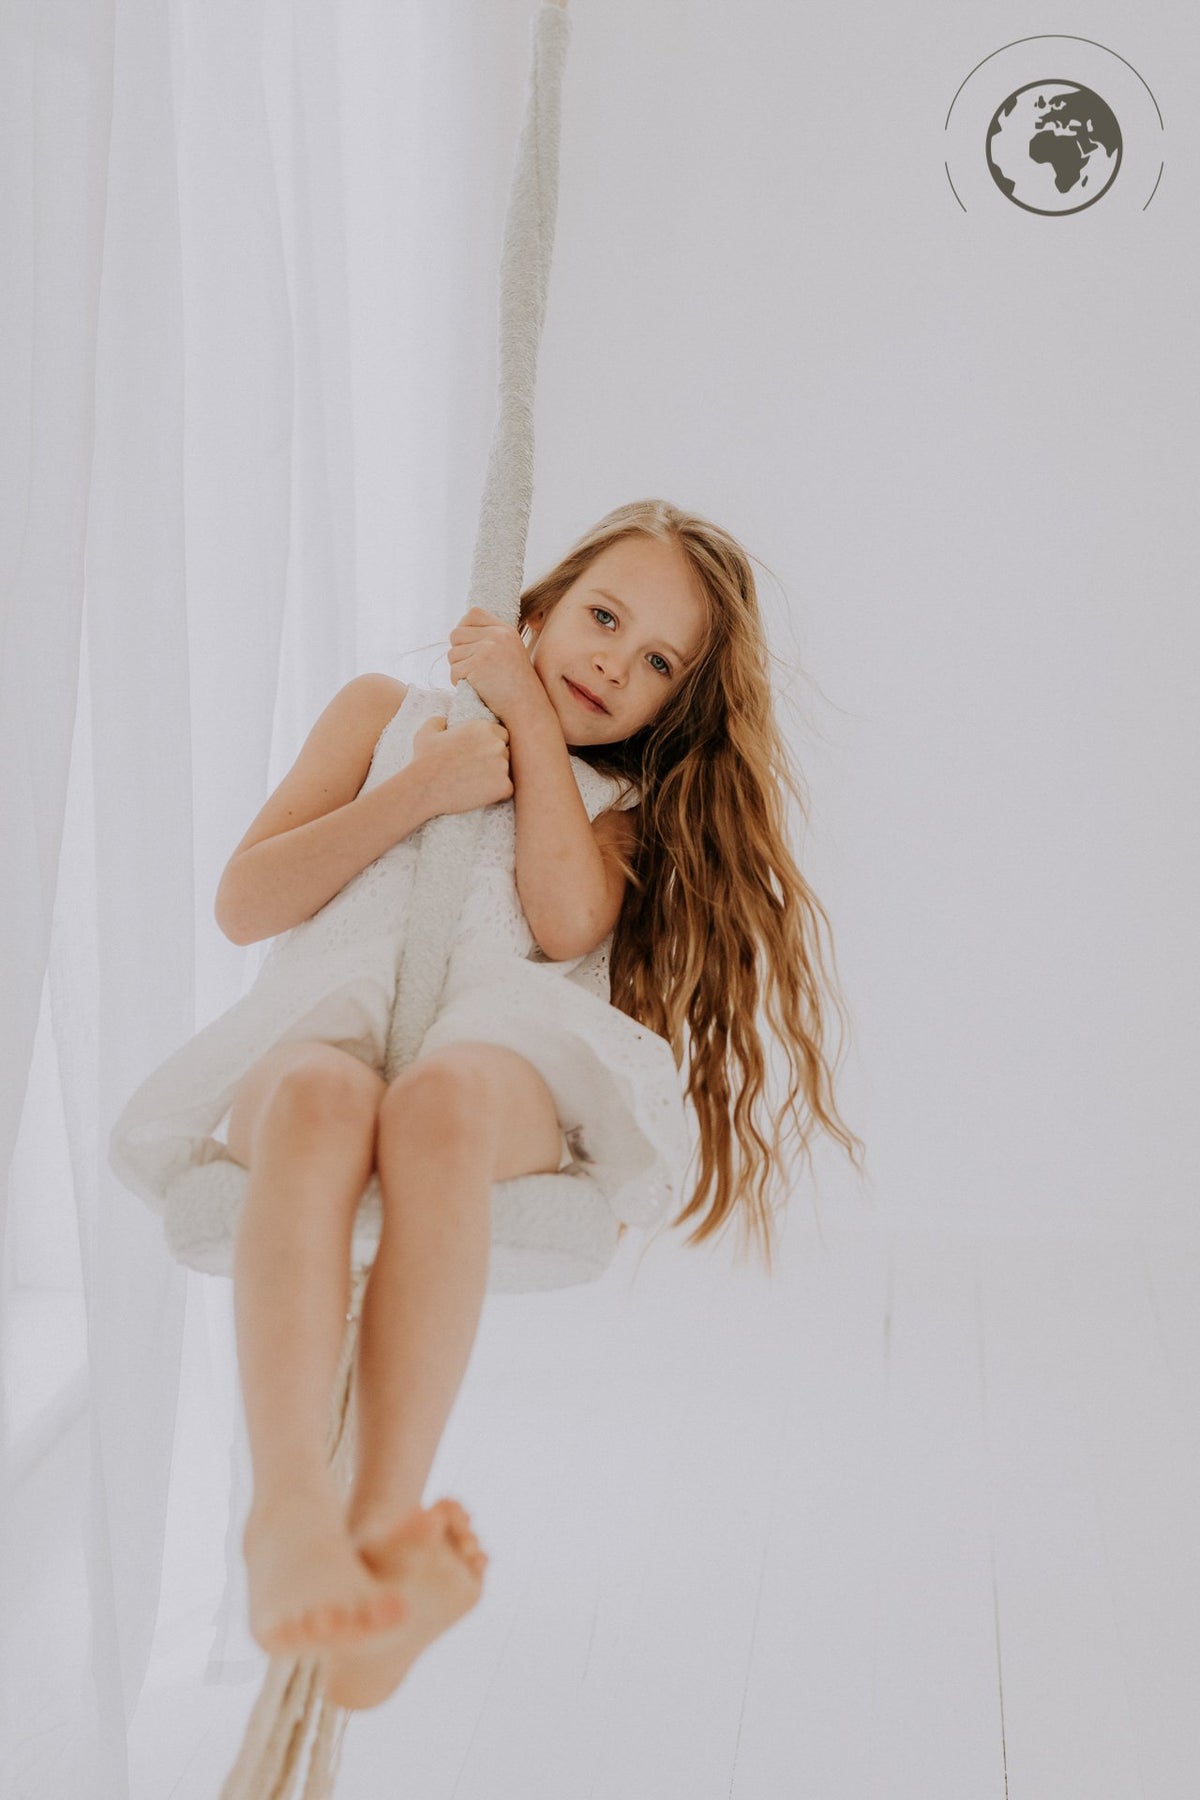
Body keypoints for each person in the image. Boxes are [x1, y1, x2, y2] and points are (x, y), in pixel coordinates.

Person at [107, 497, 865, 1711]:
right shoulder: (379, 715)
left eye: (659, 661)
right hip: (335, 1015)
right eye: (604, 617)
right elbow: (248, 903)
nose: (616, 660)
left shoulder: (625, 806)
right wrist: (416, 792)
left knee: (440, 1106)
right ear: (538, 605)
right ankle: (291, 1514)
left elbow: (566, 922)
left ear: (676, 704)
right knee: (311, 1099)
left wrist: (521, 719)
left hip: (503, 1056)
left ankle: (390, 1533)